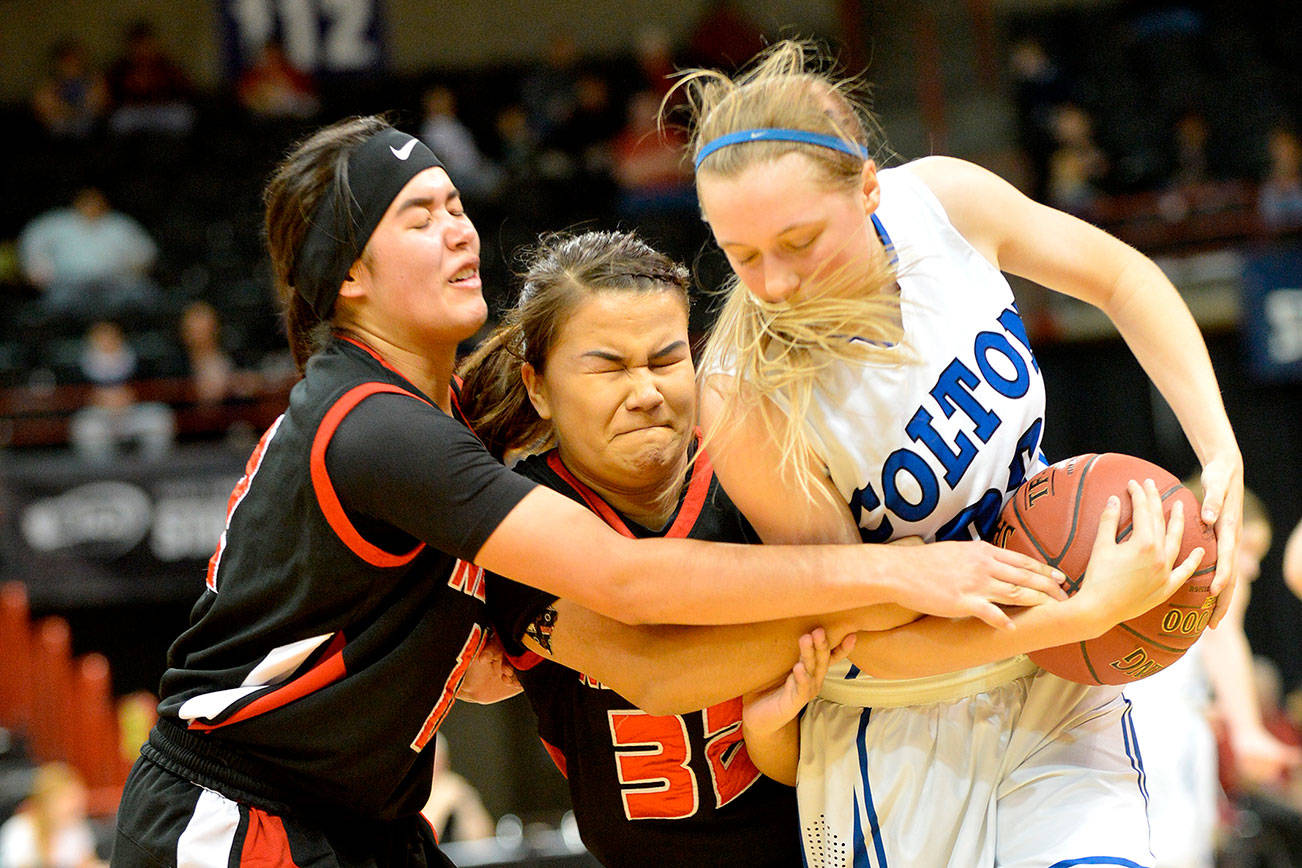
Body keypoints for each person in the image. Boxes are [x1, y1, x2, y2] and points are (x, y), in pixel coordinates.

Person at [110, 115, 1067, 868]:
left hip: (365, 822)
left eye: (456, 205)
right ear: (349, 277)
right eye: (418, 215)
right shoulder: (374, 427)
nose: (458, 230)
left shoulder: (438, 427)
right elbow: (630, 583)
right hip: (241, 816)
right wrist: (897, 575)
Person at [674, 40, 1243, 866]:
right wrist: (1077, 616)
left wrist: (1218, 455)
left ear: (868, 185)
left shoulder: (940, 204)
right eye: (741, 254)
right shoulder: (741, 390)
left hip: (1057, 681)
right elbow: (857, 630)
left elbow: (1122, 279)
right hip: (905, 732)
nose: (775, 282)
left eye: (799, 241)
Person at [458, 229, 1195, 866]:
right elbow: (658, 668)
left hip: (826, 837)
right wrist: (870, 603)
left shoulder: (756, 472)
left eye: (664, 359)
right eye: (607, 366)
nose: (647, 391)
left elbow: (819, 700)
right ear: (540, 387)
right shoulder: (526, 518)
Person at [1125, 485, 1301, 867]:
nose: (1252, 568)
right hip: (1163, 746)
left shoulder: (1147, 560)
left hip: (1135, 731)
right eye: (1249, 551)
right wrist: (1247, 731)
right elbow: (1223, 637)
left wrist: (1203, 706)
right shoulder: (1214, 572)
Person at [18, 186, 160, 325]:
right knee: (56, 302)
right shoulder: (55, 223)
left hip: (113, 284)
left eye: (96, 202)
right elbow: (33, 247)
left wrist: (134, 270)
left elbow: (145, 252)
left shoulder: (119, 224)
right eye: (87, 202)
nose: (92, 206)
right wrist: (39, 272)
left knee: (143, 295)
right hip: (69, 284)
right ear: (77, 202)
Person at [68, 319, 175, 464]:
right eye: (100, 336)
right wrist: (95, 399)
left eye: (110, 335)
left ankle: (154, 467)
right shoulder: (79, 367)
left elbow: (154, 389)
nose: (106, 340)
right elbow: (72, 398)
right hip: (100, 416)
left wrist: (134, 395)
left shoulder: (138, 360)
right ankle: (101, 474)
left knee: (159, 419)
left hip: (132, 412)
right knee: (86, 429)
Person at [0, 762, 107, 868]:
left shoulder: (75, 828)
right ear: (47, 801)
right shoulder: (20, 830)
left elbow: (87, 863)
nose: (76, 805)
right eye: (68, 798)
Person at [31, 38, 109, 140]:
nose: (72, 65)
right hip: (58, 133)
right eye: (67, 61)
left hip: (90, 129)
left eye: (75, 60)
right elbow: (44, 109)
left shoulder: (95, 81)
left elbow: (99, 106)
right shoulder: (48, 86)